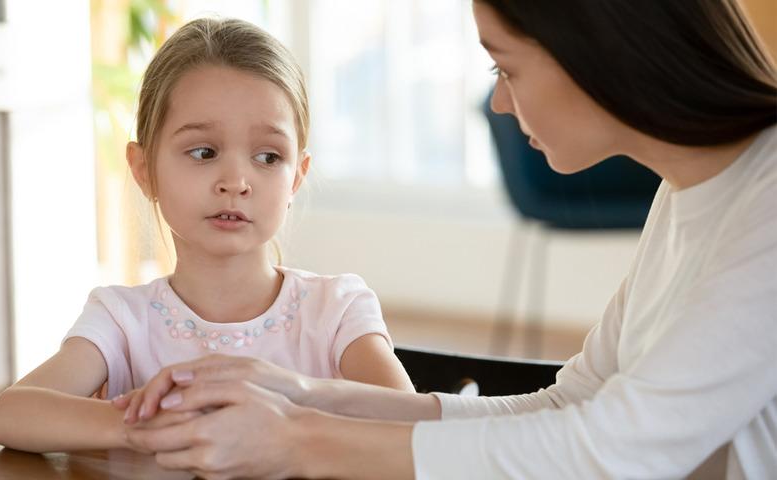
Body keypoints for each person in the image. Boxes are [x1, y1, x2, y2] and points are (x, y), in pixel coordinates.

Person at [112, 0, 777, 478]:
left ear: (595, 55)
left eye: (505, 69)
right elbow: (571, 404)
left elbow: (608, 451)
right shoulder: (688, 193)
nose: (500, 104)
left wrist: (296, 439)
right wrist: (303, 394)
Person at [0, 17, 414, 454]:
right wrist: (147, 426)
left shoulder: (336, 311)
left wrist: (288, 419)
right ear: (144, 169)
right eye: (204, 152)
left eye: (268, 157)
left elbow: (415, 428)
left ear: (296, 178)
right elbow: (12, 414)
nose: (236, 182)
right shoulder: (122, 320)